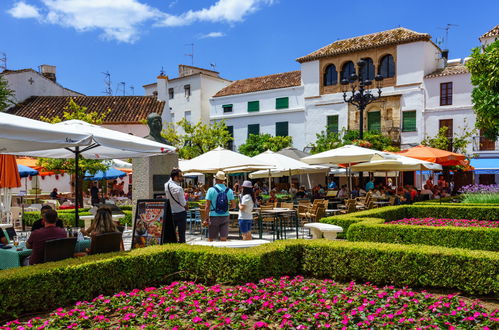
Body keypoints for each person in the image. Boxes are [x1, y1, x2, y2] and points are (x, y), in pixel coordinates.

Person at [204, 171, 235, 242]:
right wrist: (226, 208)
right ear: (224, 180)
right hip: (225, 216)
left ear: (216, 179)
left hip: (214, 216)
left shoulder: (211, 190)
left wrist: (206, 219)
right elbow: (233, 205)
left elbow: (207, 206)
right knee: (223, 239)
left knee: (211, 239)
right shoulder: (229, 190)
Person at [165, 168, 188, 243]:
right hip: (180, 212)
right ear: (175, 177)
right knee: (181, 234)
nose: (182, 178)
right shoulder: (179, 188)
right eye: (180, 176)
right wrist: (186, 205)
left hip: (171, 212)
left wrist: (174, 170)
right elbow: (183, 203)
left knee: (172, 234)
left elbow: (170, 179)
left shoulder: (166, 185)